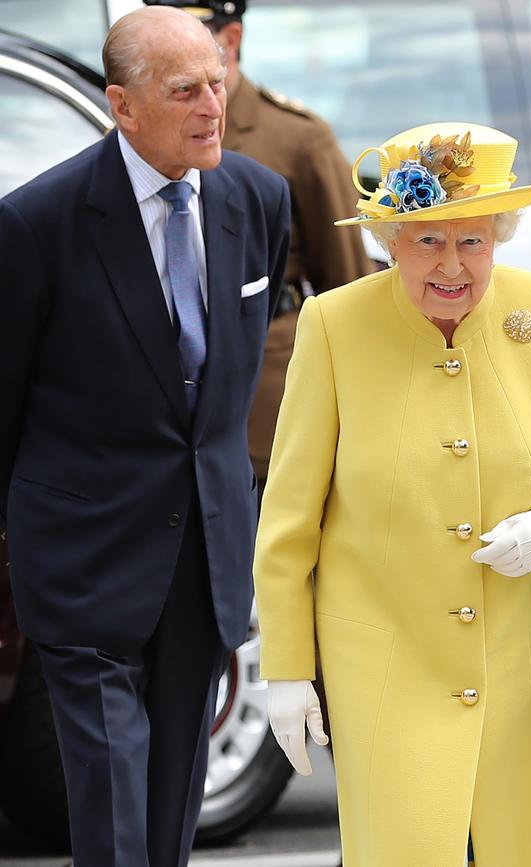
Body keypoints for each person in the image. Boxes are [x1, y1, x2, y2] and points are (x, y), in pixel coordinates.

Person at [253, 121, 531, 867]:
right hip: (388, 662)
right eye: (428, 240)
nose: (452, 265)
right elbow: (289, 519)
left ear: (500, 236)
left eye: (474, 241)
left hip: (526, 664)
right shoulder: (334, 325)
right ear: (391, 241)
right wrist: (288, 668)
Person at [0, 6, 289, 867]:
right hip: (84, 555)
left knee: (171, 810)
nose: (213, 105)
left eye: (217, 81)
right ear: (122, 107)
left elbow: (226, 381)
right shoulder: (36, 224)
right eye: (184, 91)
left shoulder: (258, 199)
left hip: (204, 551)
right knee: (115, 804)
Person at [143, 0, 373, 491]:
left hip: (266, 387)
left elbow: (349, 283)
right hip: (160, 397)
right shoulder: (143, 133)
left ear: (229, 41)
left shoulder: (296, 138)